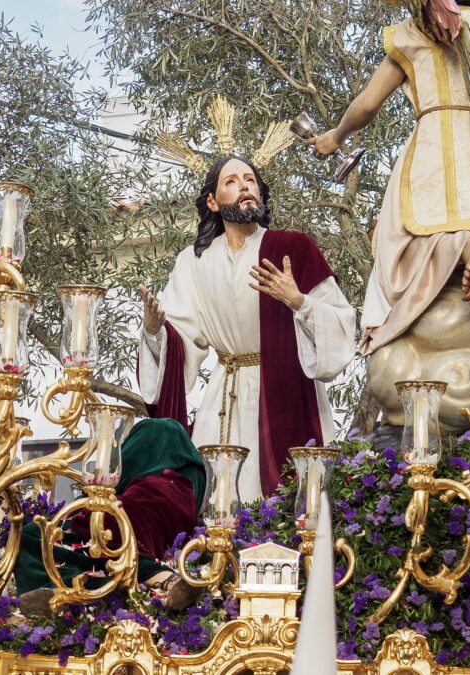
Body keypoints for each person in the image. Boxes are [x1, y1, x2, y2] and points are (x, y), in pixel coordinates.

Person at [308, 0, 470, 355]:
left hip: (438, 152)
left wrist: (336, 136)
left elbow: (368, 103)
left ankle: (467, 247)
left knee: (400, 242)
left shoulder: (420, 28)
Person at [137, 155, 357, 501]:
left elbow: (342, 323)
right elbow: (180, 339)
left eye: (250, 179)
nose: (244, 187)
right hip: (223, 398)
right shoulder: (193, 262)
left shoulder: (293, 248)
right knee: (214, 504)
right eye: (231, 181)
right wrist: (155, 332)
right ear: (212, 202)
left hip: (284, 401)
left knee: (286, 506)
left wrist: (299, 302)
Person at [14, 418, 207, 611]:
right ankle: (166, 581)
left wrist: (85, 498)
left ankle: (65, 588)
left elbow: (113, 478)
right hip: (167, 536)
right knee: (121, 551)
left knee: (34, 534)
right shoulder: (192, 479)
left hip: (120, 519)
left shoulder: (158, 432)